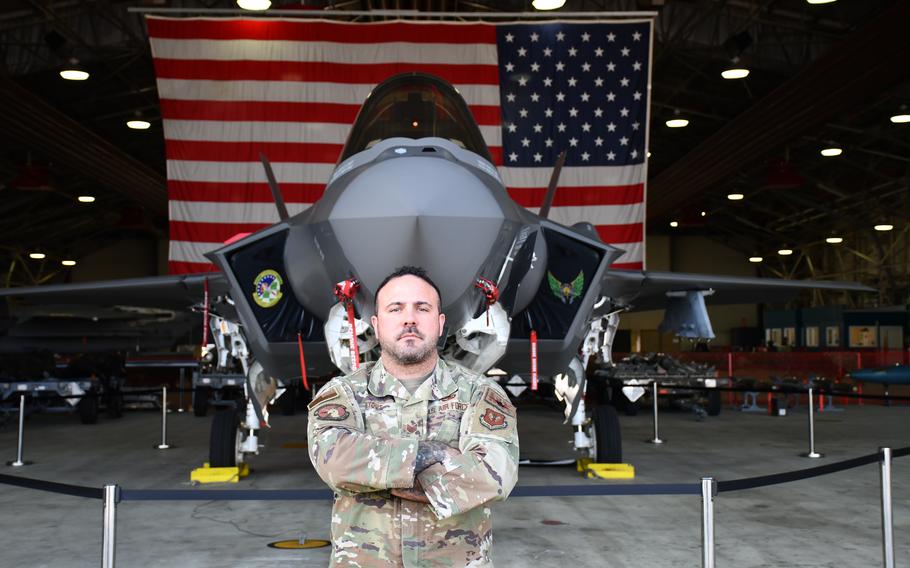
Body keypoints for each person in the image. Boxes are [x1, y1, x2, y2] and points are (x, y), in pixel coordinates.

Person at [307, 266, 519, 567]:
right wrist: (427, 456)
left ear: (440, 323)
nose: (409, 319)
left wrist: (381, 471)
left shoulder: (479, 393)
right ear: (377, 325)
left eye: (422, 308)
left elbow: (496, 472)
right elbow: (332, 458)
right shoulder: (344, 393)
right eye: (396, 309)